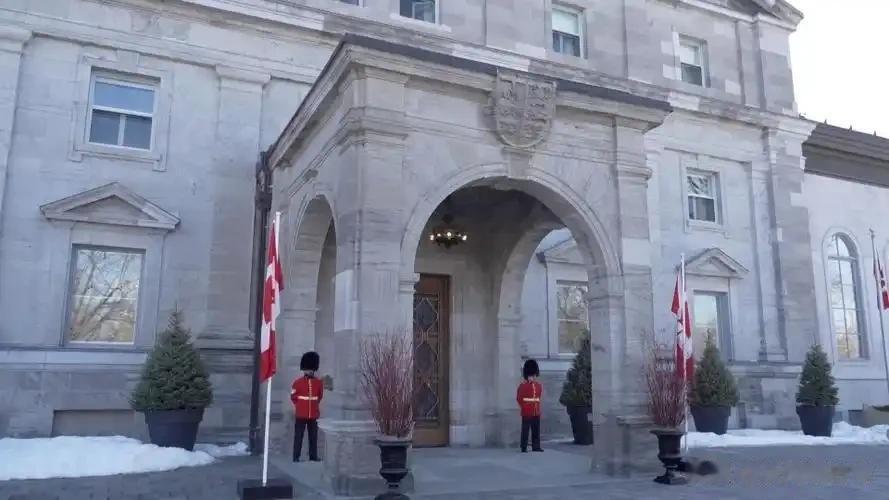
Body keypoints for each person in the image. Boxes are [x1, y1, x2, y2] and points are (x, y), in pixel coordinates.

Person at [291, 351, 323, 462]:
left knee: (313, 436)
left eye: (310, 369)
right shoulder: (297, 382)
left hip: (313, 413)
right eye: (307, 369)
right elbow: (293, 397)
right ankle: (296, 456)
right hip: (301, 413)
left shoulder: (318, 383)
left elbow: (319, 396)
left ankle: (313, 456)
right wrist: (300, 405)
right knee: (298, 436)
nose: (309, 371)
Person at [516, 359, 543, 453]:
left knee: (536, 430)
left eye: (534, 375)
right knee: (525, 430)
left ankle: (536, 446)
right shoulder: (523, 386)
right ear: (527, 376)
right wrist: (524, 407)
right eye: (531, 376)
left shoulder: (538, 385)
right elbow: (519, 398)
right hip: (527, 411)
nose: (533, 377)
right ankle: (523, 446)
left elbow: (538, 397)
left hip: (536, 411)